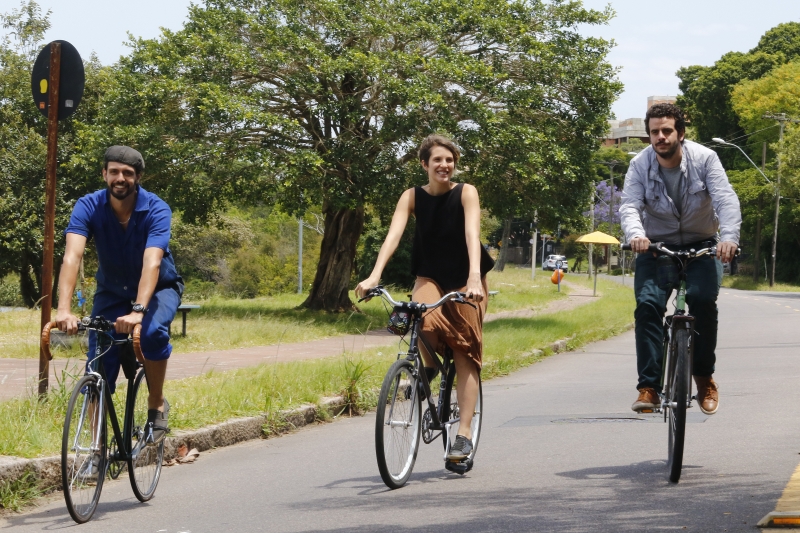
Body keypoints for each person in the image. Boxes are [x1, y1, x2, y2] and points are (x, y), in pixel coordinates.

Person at [355, 134, 494, 461]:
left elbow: (473, 234)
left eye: (449, 160)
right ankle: (427, 367)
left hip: (467, 279)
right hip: (430, 275)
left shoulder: (466, 192)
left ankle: (463, 436)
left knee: (465, 352)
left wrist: (474, 276)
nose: (444, 166)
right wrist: (375, 275)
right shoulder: (411, 197)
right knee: (414, 317)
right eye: (437, 161)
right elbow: (394, 235)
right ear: (424, 164)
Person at [56, 145, 183, 447]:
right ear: (104, 174)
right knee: (98, 365)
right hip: (111, 292)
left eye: (128, 173)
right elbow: (72, 257)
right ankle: (95, 449)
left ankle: (156, 403)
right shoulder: (88, 206)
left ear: (138, 177)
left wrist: (139, 310)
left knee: (151, 333)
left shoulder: (156, 208)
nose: (120, 178)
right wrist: (63, 309)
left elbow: (152, 262)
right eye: (114, 171)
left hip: (158, 289)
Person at [619, 103, 741, 415]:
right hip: (656, 247)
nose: (660, 137)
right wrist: (635, 234)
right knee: (647, 306)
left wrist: (728, 238)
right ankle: (648, 387)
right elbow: (630, 205)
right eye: (654, 132)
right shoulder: (639, 164)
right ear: (649, 136)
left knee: (702, 302)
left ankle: (703, 378)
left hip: (703, 246)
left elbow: (725, 199)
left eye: (666, 131)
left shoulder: (705, 158)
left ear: (680, 134)